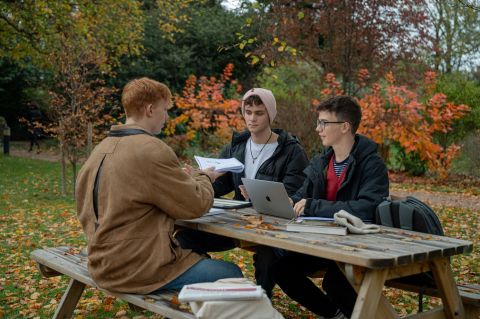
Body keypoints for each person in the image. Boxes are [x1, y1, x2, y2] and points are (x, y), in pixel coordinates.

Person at [76, 77, 243, 295]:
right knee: (232, 275)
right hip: (136, 269)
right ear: (149, 109)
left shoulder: (101, 148)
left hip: (101, 262)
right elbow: (196, 205)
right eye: (165, 110)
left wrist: (183, 179)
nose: (166, 116)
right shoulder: (151, 149)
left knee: (195, 252)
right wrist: (204, 177)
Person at [176, 88, 309, 297]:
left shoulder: (290, 151)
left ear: (270, 115)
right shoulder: (236, 146)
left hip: (272, 228)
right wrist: (196, 180)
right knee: (185, 238)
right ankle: (211, 286)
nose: (252, 118)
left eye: (259, 113)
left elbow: (295, 193)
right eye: (248, 112)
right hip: (236, 224)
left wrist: (258, 194)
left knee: (268, 251)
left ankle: (261, 300)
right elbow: (221, 186)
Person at [271, 95, 389, 319]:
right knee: (281, 269)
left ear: (345, 127)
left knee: (336, 282)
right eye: (319, 122)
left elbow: (366, 209)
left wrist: (313, 206)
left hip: (355, 246)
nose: (318, 128)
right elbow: (304, 195)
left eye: (324, 123)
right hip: (322, 241)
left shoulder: (371, 164)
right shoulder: (322, 161)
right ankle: (334, 315)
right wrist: (290, 201)